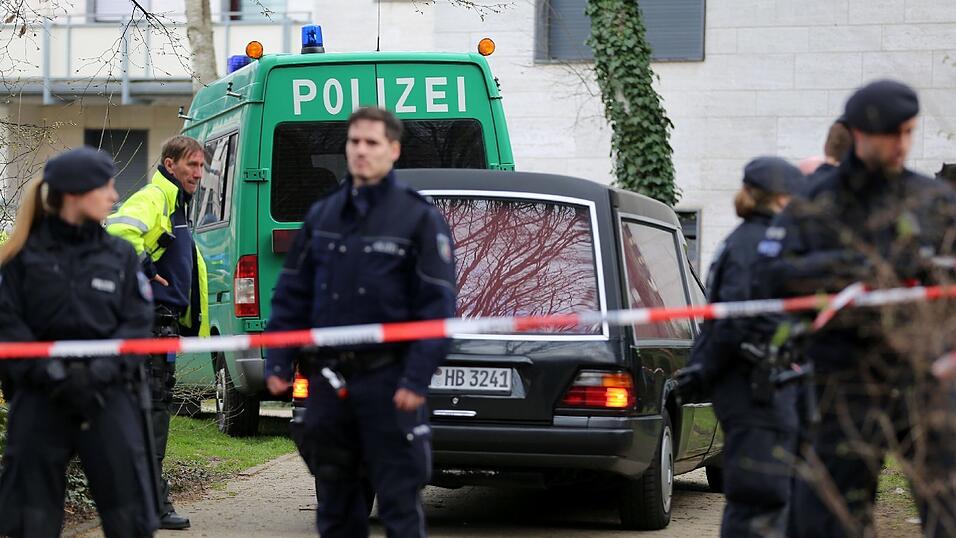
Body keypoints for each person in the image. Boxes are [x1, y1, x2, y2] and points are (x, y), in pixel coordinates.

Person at [753, 79, 956, 537]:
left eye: (909, 132)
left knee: (947, 509)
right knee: (828, 517)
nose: (902, 144)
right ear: (859, 133)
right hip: (843, 381)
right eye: (891, 134)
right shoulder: (815, 202)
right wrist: (848, 268)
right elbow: (769, 274)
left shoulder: (932, 201)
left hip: (923, 378)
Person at [264, 107, 456, 537]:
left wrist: (416, 379)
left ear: (393, 150)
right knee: (335, 510)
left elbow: (437, 309)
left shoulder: (418, 218)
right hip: (330, 382)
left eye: (372, 143)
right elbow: (291, 296)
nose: (361, 151)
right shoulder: (323, 216)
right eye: (354, 142)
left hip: (389, 384)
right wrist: (277, 362)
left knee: (399, 508)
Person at [0, 147, 158, 537]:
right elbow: (8, 325)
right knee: (30, 522)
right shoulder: (21, 257)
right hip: (40, 396)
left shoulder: (120, 255)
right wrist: (52, 375)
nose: (115, 196)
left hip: (108, 395)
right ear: (74, 193)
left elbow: (137, 323)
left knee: (130, 519)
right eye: (106, 186)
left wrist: (98, 373)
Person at [675, 157, 804, 537]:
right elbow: (731, 322)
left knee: (760, 494)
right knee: (759, 496)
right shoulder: (759, 244)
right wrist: (704, 372)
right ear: (778, 198)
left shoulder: (748, 240)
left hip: (751, 385)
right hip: (753, 388)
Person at [106, 135, 210, 530]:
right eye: (192, 165)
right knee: (151, 416)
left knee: (152, 414)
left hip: (162, 326)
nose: (198, 173)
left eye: (202, 166)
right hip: (149, 325)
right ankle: (151, 504)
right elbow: (117, 231)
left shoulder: (176, 205)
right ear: (170, 165)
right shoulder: (156, 198)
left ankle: (146, 501)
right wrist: (147, 272)